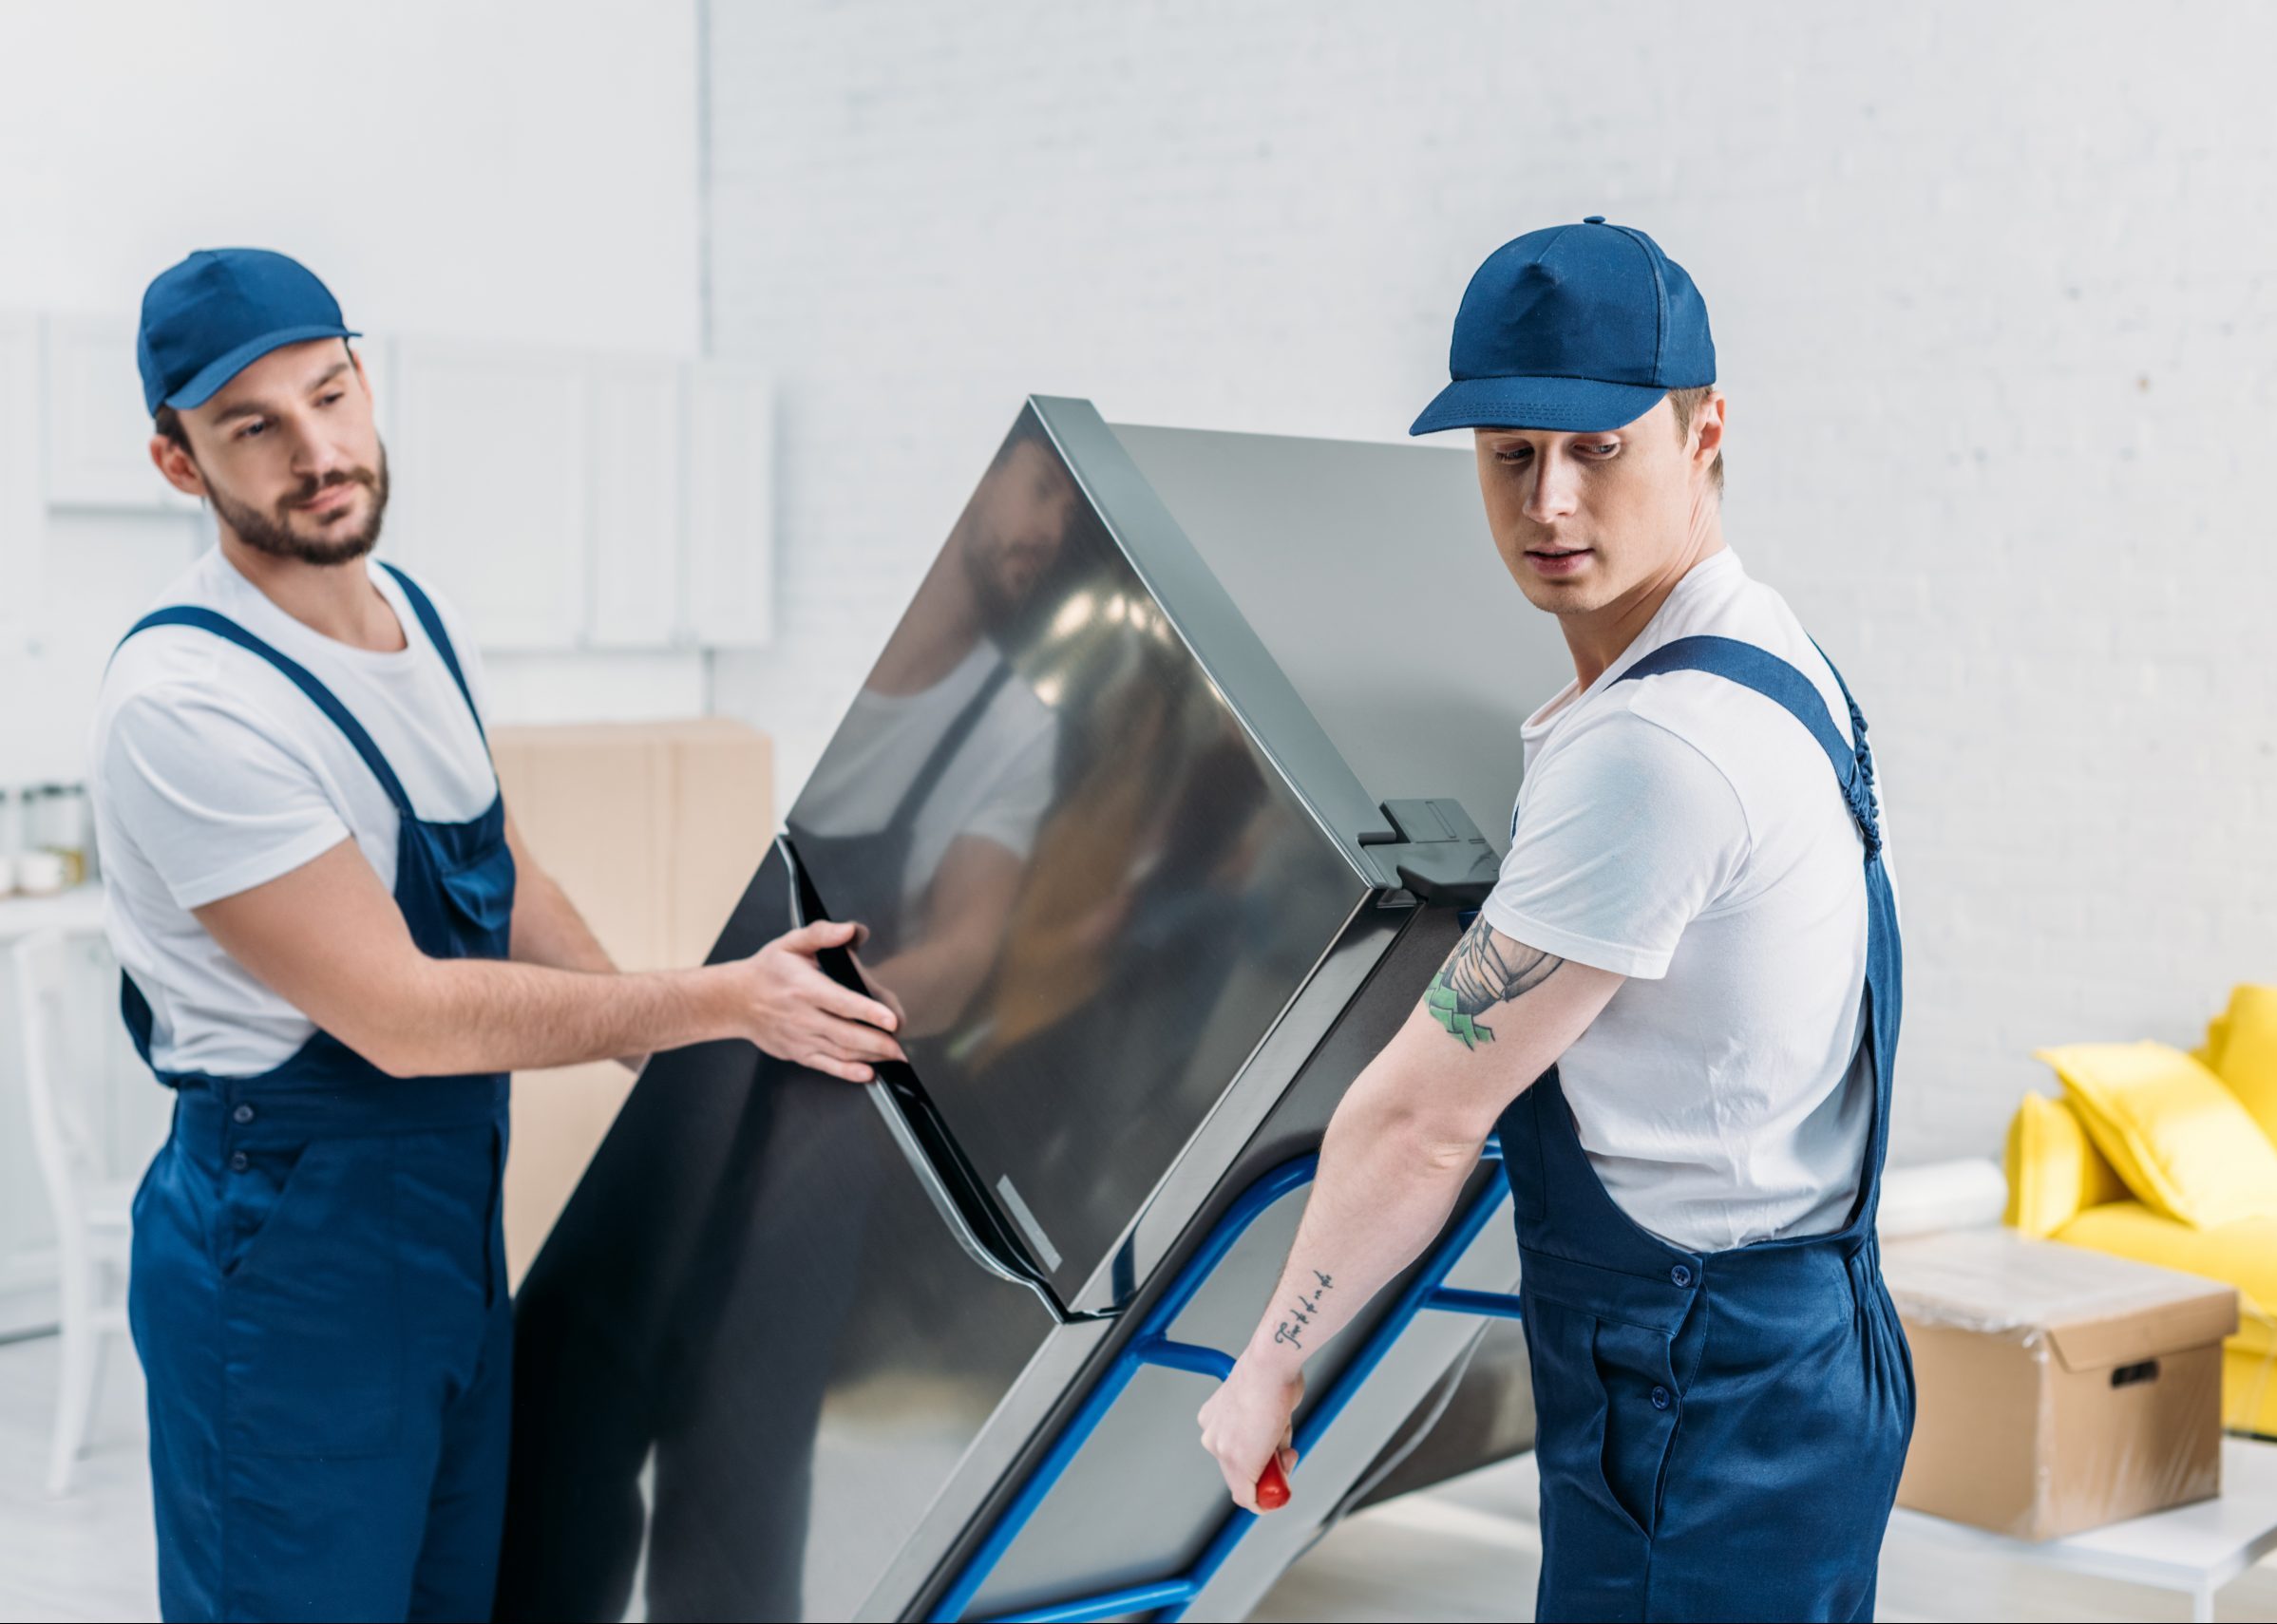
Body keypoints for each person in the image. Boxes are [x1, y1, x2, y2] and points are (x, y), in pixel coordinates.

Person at [93, 247, 904, 1623]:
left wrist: (682, 1080)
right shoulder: (187, 702)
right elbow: (405, 1015)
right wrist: (715, 1004)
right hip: (289, 1252)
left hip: (448, 1229)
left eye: (330, 395)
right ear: (180, 463)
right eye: (255, 427)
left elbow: (500, 867)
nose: (317, 450)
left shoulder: (418, 620)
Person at [1198, 217, 1911, 1621]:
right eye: (1508, 454)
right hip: (1799, 1350)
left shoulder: (1653, 748)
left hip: (1694, 1404)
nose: (1549, 504)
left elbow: (1420, 1118)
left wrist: (1269, 1360)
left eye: (1598, 449)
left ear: (1704, 430)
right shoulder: (1770, 652)